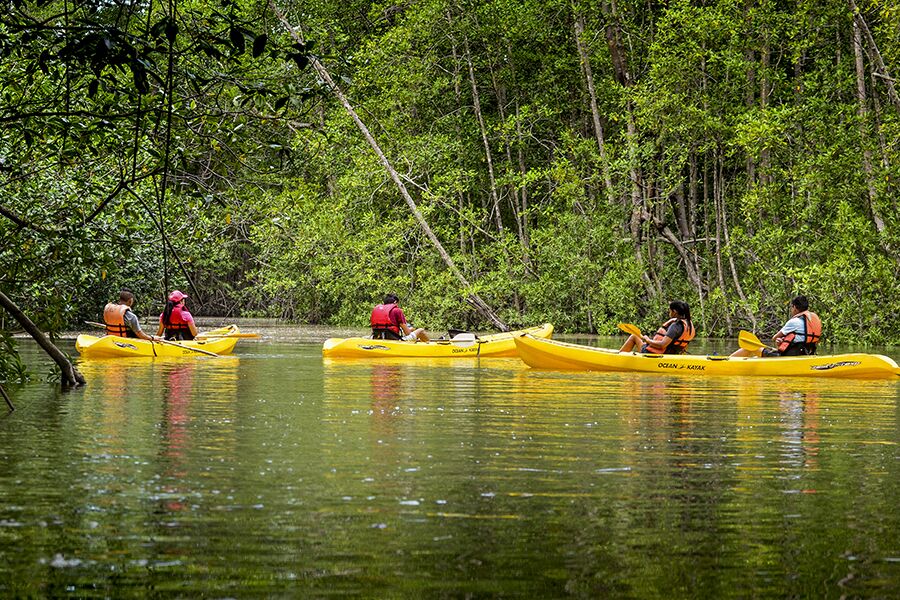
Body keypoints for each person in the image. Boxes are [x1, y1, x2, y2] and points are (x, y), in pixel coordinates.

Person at [732, 295, 821, 357]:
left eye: (791, 307)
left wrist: (779, 340)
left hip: (786, 356)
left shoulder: (794, 322)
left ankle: (727, 361)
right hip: (807, 355)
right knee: (757, 356)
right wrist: (782, 341)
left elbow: (774, 338)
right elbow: (800, 339)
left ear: (794, 307)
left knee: (750, 347)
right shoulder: (812, 320)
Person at [619, 300, 695, 354]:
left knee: (634, 336)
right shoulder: (688, 324)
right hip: (672, 355)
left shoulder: (675, 326)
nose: (669, 312)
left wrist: (647, 340)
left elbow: (662, 345)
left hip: (657, 355)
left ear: (674, 312)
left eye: (670, 310)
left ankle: (619, 357)